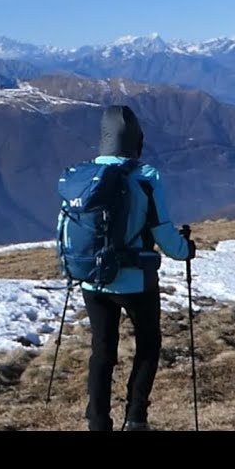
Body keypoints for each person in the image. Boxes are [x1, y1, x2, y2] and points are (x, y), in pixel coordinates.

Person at [79, 104, 194, 432]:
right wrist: (186, 250)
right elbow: (163, 233)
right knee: (148, 344)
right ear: (136, 140)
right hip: (135, 281)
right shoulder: (146, 178)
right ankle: (136, 419)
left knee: (102, 351)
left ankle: (98, 422)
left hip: (93, 280)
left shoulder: (82, 176)